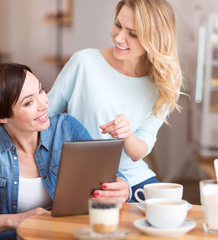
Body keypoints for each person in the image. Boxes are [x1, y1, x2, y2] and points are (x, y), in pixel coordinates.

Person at [0, 63, 130, 240]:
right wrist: (16, 220)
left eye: (41, 91)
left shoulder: (67, 129)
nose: (44, 104)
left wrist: (123, 189)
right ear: (2, 116)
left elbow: (111, 178)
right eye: (29, 102)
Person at [47, 0, 183, 201]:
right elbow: (44, 116)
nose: (119, 38)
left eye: (133, 34)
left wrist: (126, 134)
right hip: (87, 175)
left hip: (133, 179)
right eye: (118, 25)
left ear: (154, 39)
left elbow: (139, 152)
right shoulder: (84, 63)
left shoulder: (162, 84)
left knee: (169, 214)